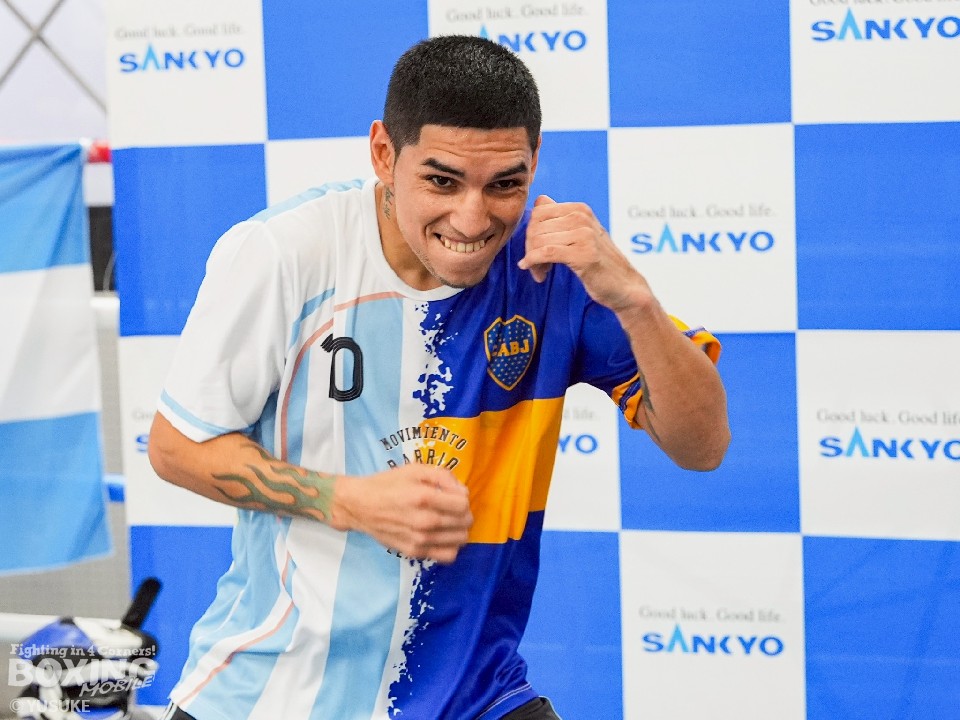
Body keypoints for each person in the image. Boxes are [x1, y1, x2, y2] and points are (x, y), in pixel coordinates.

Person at [148, 34, 729, 720]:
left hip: (480, 696)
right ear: (383, 154)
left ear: (534, 161)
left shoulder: (554, 268)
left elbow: (703, 447)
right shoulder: (287, 251)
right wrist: (349, 500)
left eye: (505, 184)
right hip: (276, 697)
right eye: (442, 181)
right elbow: (176, 447)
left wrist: (635, 301)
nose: (472, 219)